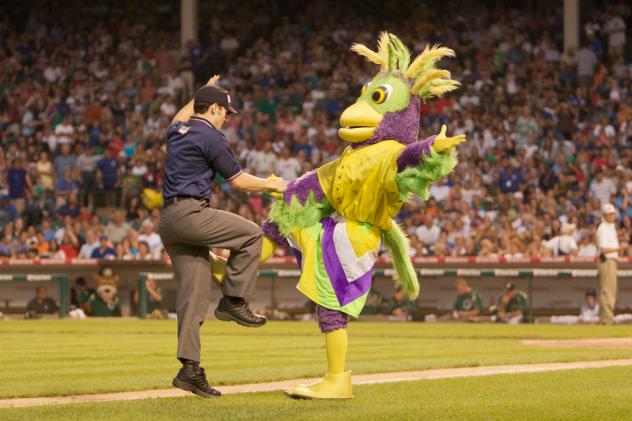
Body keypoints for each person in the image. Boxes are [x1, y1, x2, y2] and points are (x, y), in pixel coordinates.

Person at [158, 75, 287, 398]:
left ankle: (189, 370)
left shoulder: (178, 130)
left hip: (169, 221)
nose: (227, 118)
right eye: (225, 112)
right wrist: (274, 185)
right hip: (191, 214)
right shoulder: (211, 137)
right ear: (213, 108)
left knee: (194, 295)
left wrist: (202, 90)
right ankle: (233, 300)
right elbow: (239, 181)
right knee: (251, 234)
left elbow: (179, 116)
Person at [596, 203, 628, 324]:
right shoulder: (603, 228)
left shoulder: (610, 227)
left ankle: (606, 318)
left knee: (610, 290)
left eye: (613, 214)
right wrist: (620, 248)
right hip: (607, 260)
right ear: (604, 215)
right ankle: (606, 319)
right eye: (609, 214)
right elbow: (603, 249)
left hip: (611, 261)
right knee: (607, 291)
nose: (612, 216)